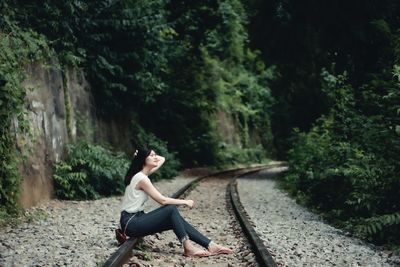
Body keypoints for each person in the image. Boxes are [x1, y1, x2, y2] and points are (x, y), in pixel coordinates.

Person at [118, 146, 234, 257]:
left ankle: (210, 245)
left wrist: (142, 155)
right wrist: (184, 202)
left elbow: (162, 159)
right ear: (144, 159)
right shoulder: (141, 178)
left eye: (155, 155)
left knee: (174, 219)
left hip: (135, 219)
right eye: (152, 155)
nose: (155, 157)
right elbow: (162, 200)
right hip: (131, 222)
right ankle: (188, 247)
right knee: (170, 209)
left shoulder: (142, 175)